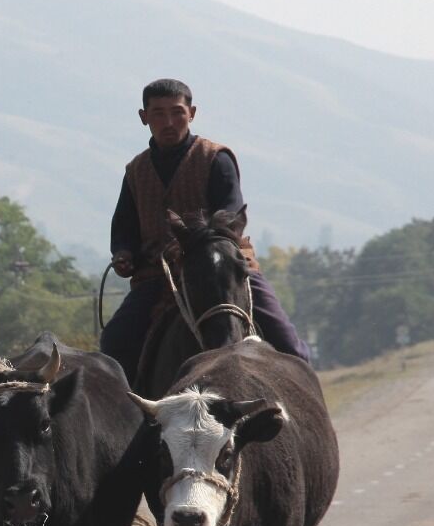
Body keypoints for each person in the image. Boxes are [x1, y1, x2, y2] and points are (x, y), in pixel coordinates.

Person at [99, 78, 310, 383]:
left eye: (177, 112)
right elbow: (124, 228)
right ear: (144, 117)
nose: (168, 122)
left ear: (192, 113)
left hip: (224, 268)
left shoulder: (215, 158)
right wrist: (123, 253)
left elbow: (230, 216)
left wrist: (193, 243)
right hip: (159, 277)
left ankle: (308, 417)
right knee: (114, 343)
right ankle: (133, 421)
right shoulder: (135, 171)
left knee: (287, 343)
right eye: (158, 113)